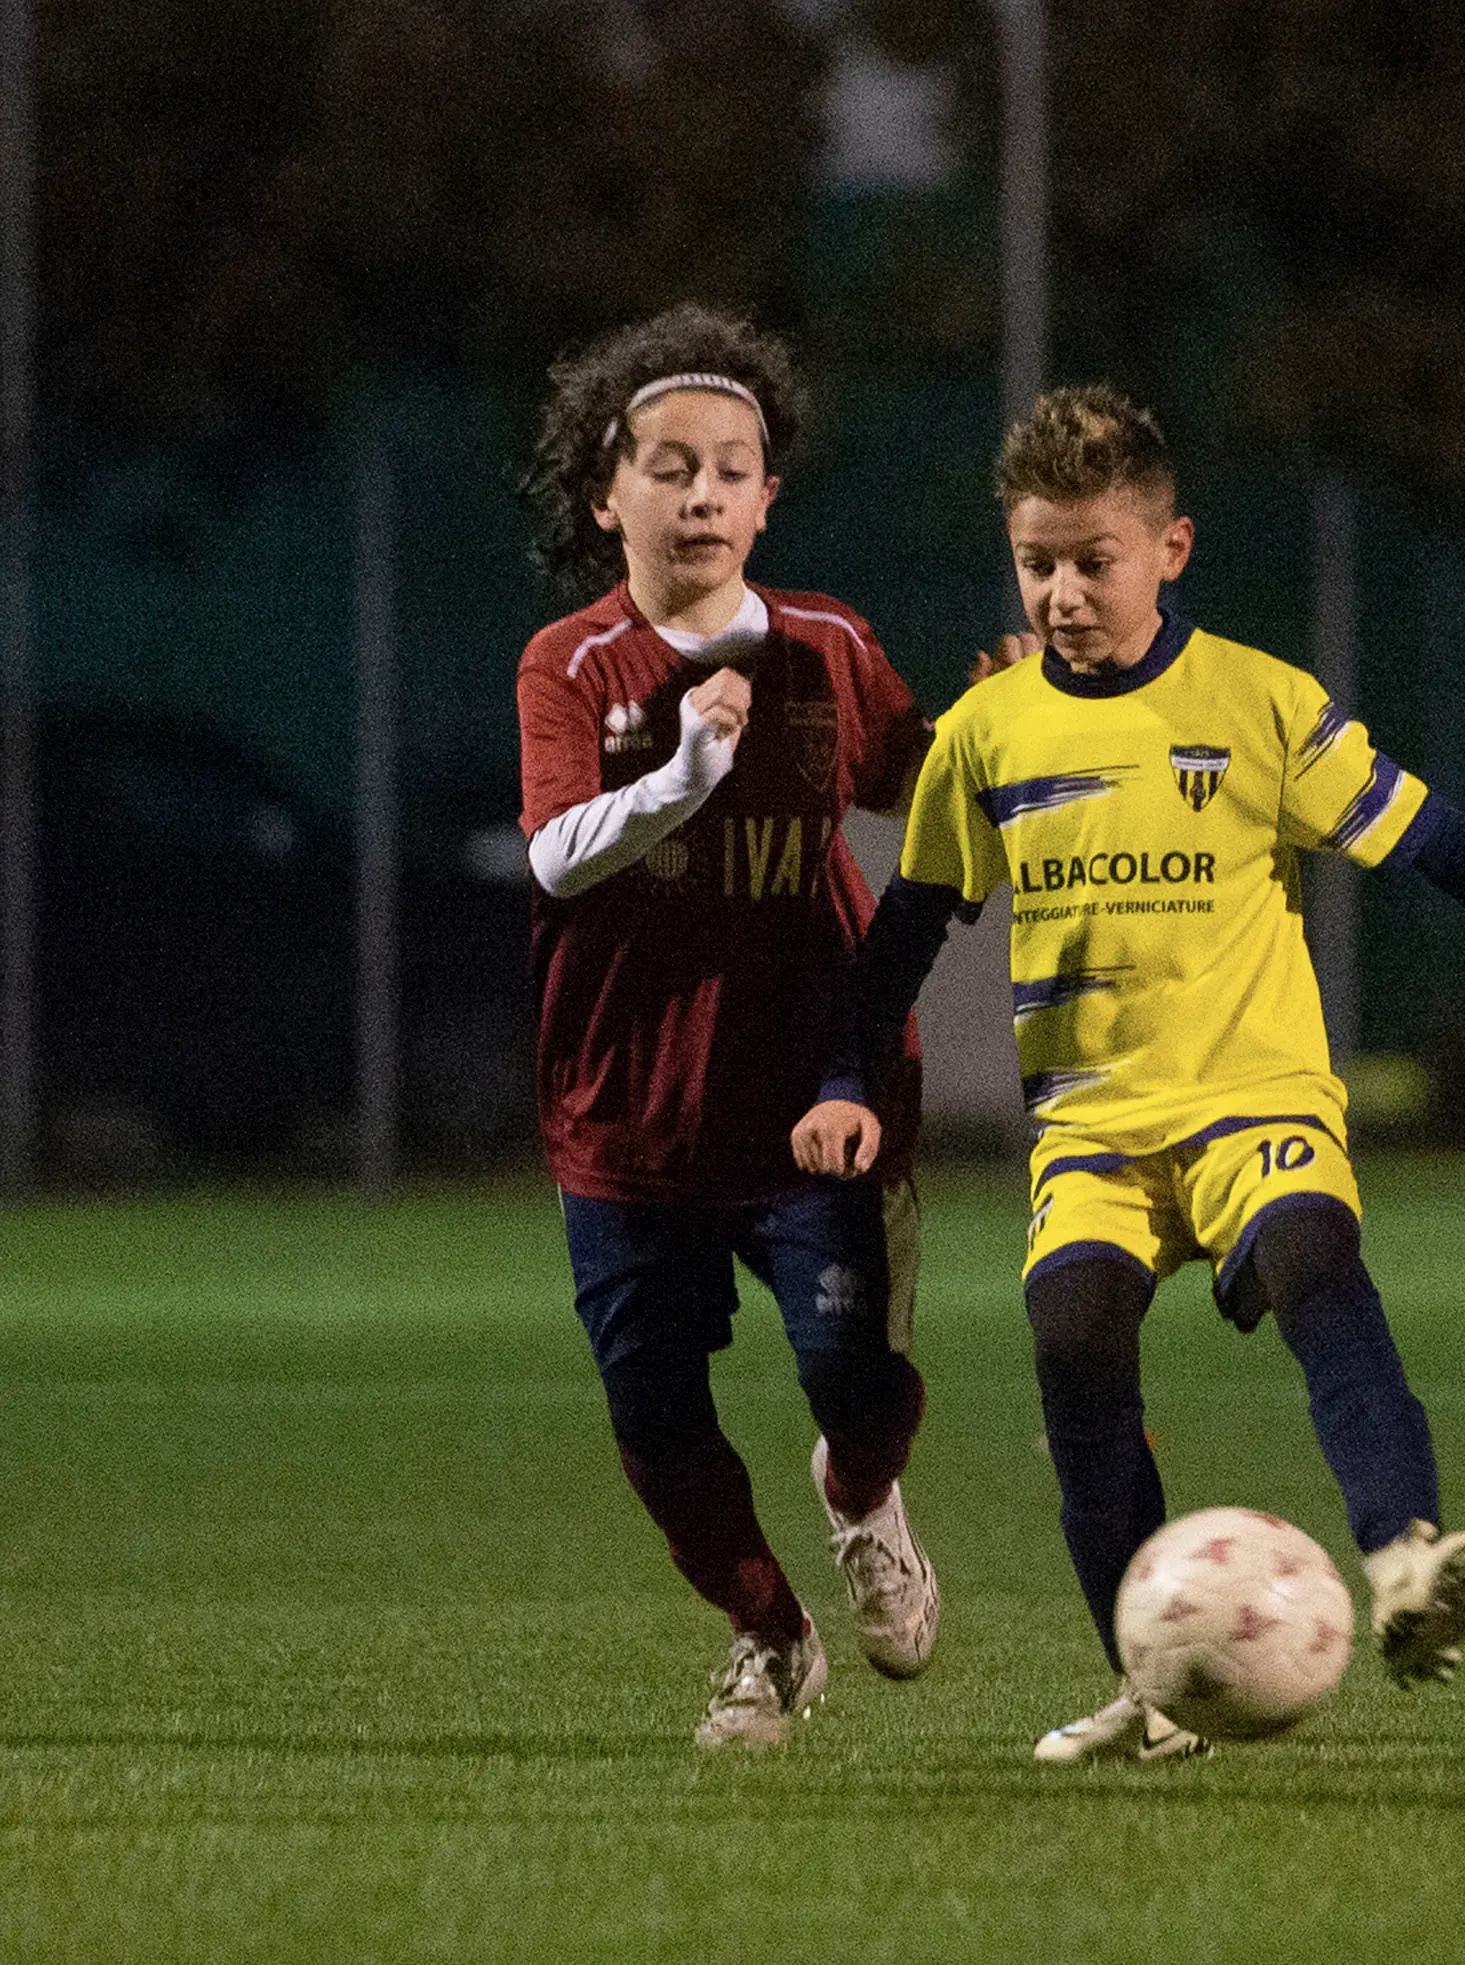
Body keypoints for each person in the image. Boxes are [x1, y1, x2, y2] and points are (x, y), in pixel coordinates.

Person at [792, 385, 1465, 1762]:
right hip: (1093, 1126)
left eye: (1094, 561)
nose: (1063, 592)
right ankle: (1152, 1693)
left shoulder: (1262, 705)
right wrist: (848, 1082)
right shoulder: (988, 736)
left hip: (1255, 1099)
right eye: (1038, 563)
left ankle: (1404, 1568)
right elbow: (901, 935)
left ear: (1173, 549)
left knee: (1312, 1261)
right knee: (1072, 1340)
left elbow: (1455, 852)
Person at [516, 305, 941, 1748]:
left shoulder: (829, 647)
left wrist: (1020, 725)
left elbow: (919, 788)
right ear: (605, 493)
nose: (701, 493)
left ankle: (861, 1494)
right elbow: (557, 854)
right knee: (655, 1424)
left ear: (769, 496)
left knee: (857, 1379)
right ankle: (771, 1635)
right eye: (669, 465)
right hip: (628, 1117)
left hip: (819, 1093)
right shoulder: (571, 666)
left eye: (732, 468)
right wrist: (690, 768)